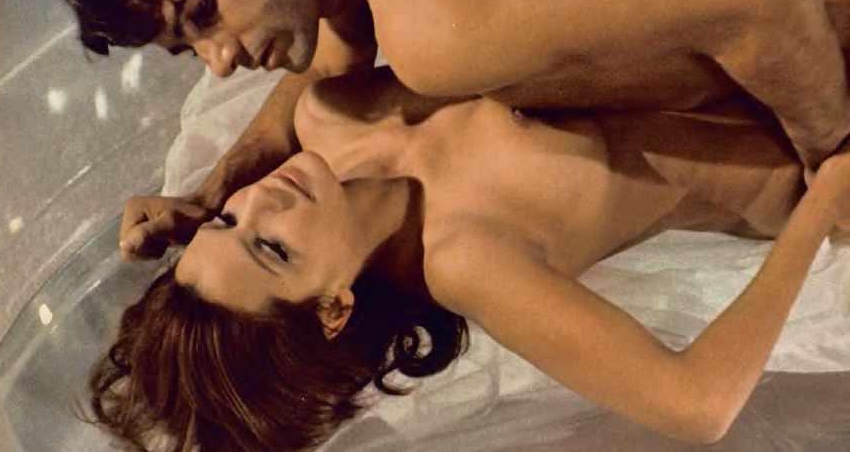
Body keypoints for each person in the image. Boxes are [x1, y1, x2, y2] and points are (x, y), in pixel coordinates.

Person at [62, 0, 850, 258]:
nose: (219, 60)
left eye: (202, 12)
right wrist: (212, 193)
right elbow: (334, 57)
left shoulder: (437, 25)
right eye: (189, 48)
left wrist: (833, 157)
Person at [95, 66, 850, 452]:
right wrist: (825, 201)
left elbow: (311, 28)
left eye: (228, 222)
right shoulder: (466, 257)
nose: (261, 200)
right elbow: (698, 404)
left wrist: (209, 190)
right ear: (333, 306)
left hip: (775, 16)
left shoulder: (326, 119)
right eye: (271, 248)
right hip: (812, 140)